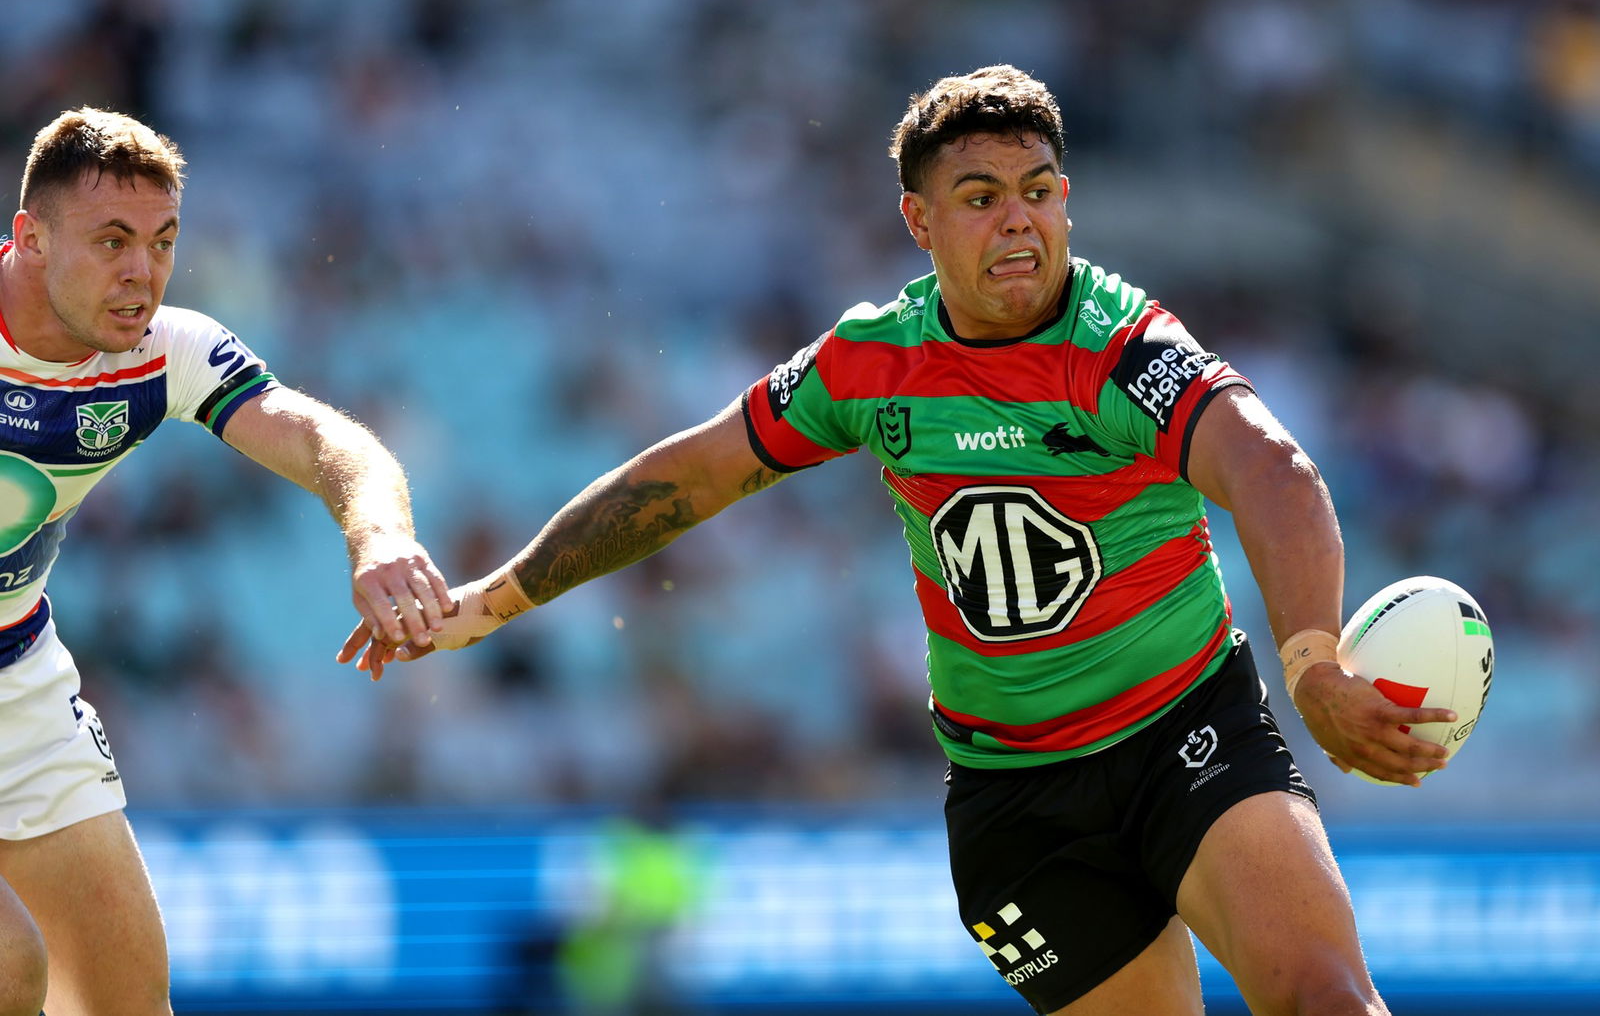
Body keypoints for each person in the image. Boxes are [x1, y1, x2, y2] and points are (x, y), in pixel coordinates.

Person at [341, 66, 1458, 1016]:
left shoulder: (1119, 346)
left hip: (1184, 733)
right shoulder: (872, 364)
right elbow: (687, 477)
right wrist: (498, 598)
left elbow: (1272, 469)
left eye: (1037, 191)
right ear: (919, 225)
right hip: (1013, 797)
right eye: (978, 197)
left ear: (1069, 201)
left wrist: (1309, 658)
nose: (1018, 218)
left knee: (1324, 1000)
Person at [0, 108, 451, 1016]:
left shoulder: (168, 351)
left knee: (128, 1001)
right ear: (30, 238)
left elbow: (324, 438)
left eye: (163, 241)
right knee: (11, 968)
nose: (143, 272)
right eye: (113, 240)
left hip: (17, 676)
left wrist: (379, 536)